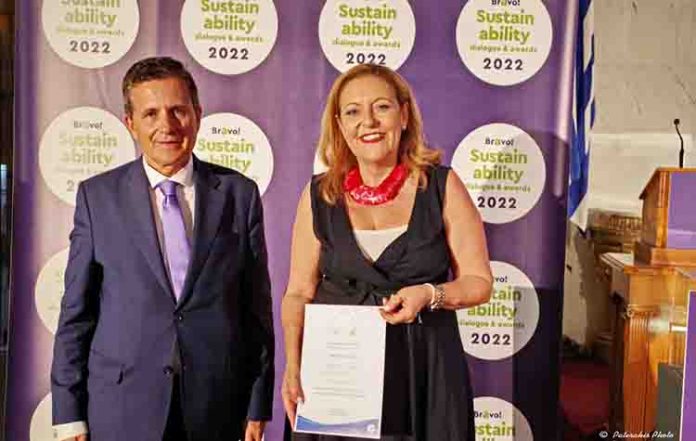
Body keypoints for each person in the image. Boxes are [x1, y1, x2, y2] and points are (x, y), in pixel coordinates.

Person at [50, 57, 274, 441]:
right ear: (130, 123)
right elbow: (76, 314)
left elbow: (255, 312)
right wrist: (69, 413)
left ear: (197, 115)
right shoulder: (97, 198)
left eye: (178, 110)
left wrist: (257, 402)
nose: (166, 125)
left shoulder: (239, 195)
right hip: (122, 407)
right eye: (150, 114)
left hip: (217, 408)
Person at [280, 64, 493, 440]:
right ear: (340, 126)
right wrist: (294, 365)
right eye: (353, 111)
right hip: (337, 377)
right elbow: (298, 292)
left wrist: (430, 294)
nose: (369, 122)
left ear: (404, 115)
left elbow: (479, 282)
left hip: (424, 370)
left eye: (382, 107)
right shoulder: (319, 195)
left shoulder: (442, 186)